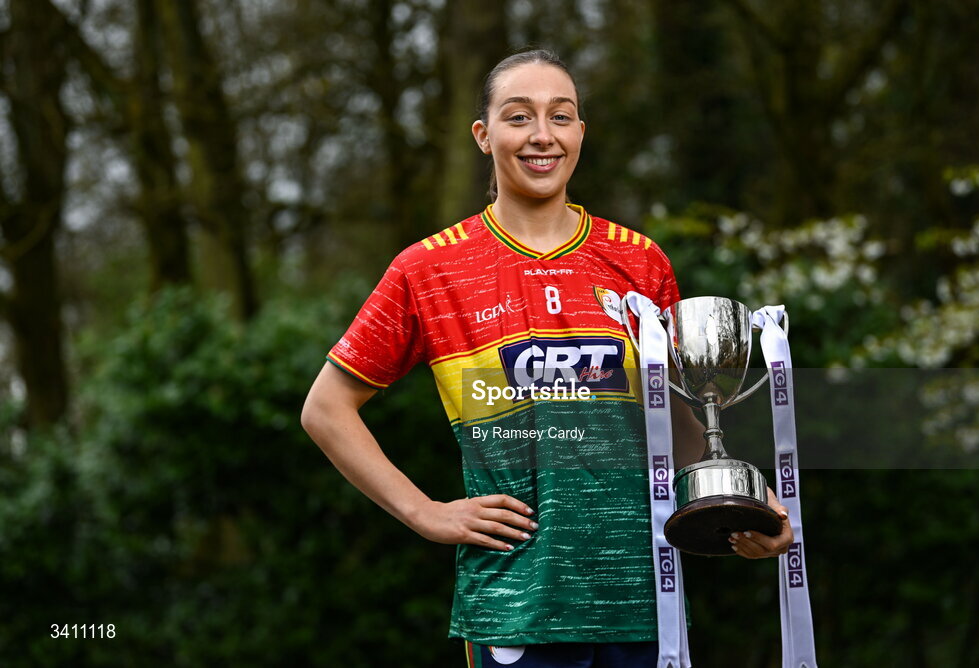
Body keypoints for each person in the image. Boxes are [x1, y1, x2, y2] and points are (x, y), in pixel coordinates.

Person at [301, 49, 793, 668]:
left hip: (644, 600)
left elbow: (672, 419)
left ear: (581, 133)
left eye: (560, 117)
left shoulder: (640, 261)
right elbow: (325, 410)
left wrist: (752, 500)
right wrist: (424, 512)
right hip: (515, 604)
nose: (542, 136)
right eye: (518, 117)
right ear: (483, 135)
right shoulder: (428, 268)